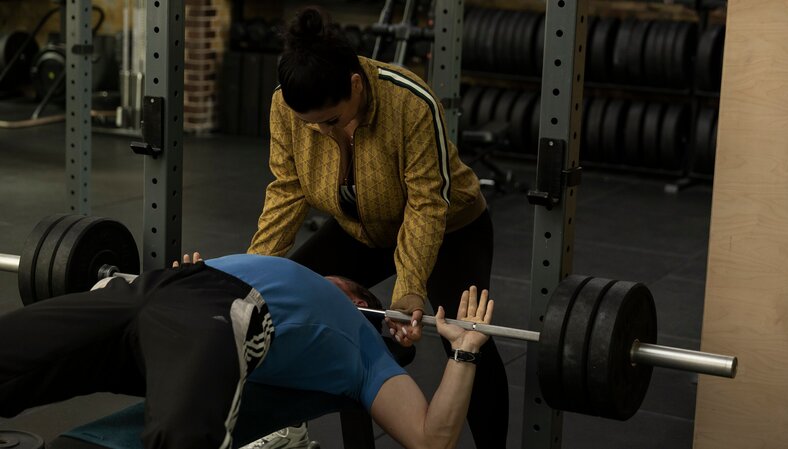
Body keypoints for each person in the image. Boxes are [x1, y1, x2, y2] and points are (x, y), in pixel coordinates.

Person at [248, 7, 508, 447]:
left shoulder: (409, 102)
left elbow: (427, 204)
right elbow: (287, 190)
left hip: (450, 228)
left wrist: (409, 289)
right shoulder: (286, 106)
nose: (324, 133)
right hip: (361, 228)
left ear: (355, 84)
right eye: (314, 126)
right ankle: (291, 429)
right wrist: (252, 273)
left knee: (464, 335)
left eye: (331, 121)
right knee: (277, 303)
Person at [0, 253, 494, 449]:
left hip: (221, 311)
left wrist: (465, 353)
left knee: (180, 437)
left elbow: (433, 439)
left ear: (362, 301)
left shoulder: (364, 348)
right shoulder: (271, 263)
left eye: (340, 283)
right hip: (152, 288)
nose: (325, 276)